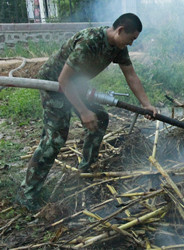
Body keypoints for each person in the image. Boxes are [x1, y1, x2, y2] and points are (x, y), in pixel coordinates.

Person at [17, 13, 157, 211]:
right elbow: (63, 81)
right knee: (55, 139)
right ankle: (28, 193)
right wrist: (83, 111)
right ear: (120, 30)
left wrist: (146, 104)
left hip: (74, 85)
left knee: (100, 117)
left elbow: (131, 75)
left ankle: (86, 167)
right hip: (53, 84)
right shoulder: (89, 42)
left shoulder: (118, 47)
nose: (131, 44)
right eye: (131, 39)